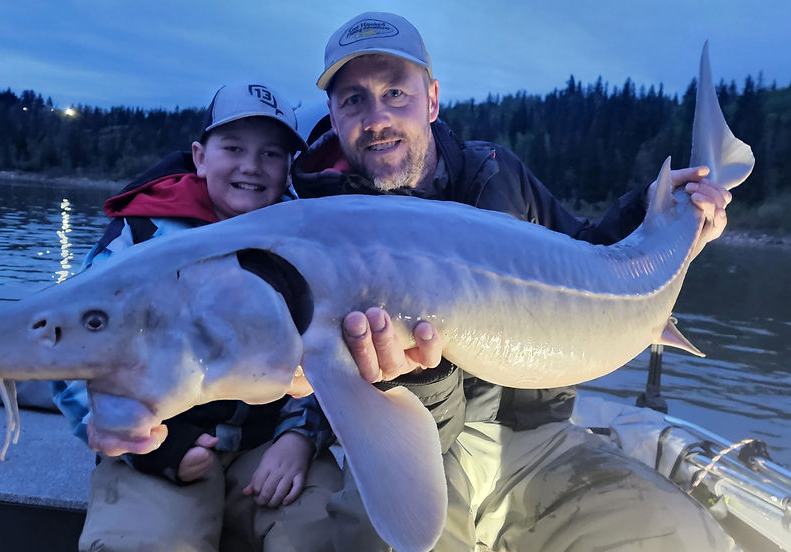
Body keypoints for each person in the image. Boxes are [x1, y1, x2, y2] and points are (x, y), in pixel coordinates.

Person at [288, 11, 738, 552]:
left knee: (683, 535)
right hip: (419, 445)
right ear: (334, 117)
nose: (377, 117)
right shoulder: (320, 227)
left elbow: (586, 260)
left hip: (537, 436)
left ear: (431, 100)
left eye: (395, 93)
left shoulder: (498, 174)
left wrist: (657, 216)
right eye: (354, 100)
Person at [52, 83, 341, 552]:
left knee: (327, 532)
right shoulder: (140, 234)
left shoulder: (306, 244)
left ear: (287, 168)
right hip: (157, 447)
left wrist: (300, 436)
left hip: (268, 450)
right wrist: (154, 448)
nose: (251, 166)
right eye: (234, 148)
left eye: (270, 153)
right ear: (200, 157)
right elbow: (67, 355)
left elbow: (330, 351)